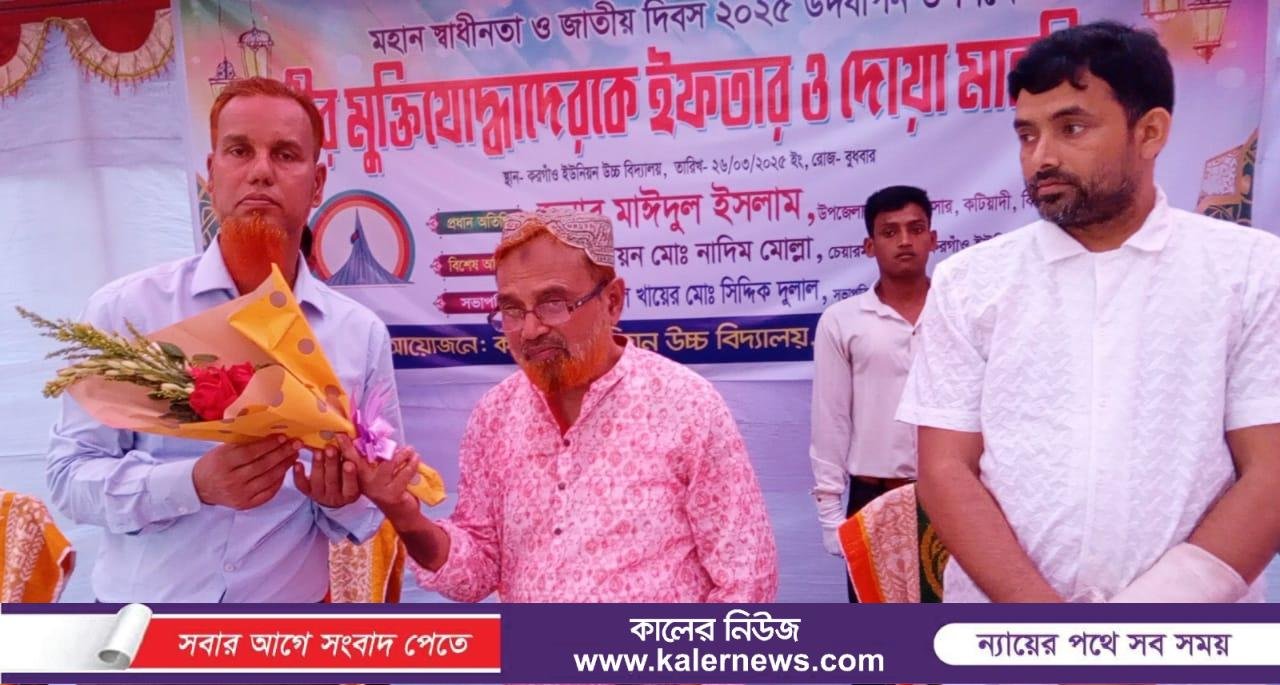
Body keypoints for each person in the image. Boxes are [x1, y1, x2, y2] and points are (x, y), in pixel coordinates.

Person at [896, 21, 1280, 603]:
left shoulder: (1249, 270)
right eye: (1027, 135)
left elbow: (1270, 473)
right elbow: (945, 471)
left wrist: (1139, 629)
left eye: (1071, 128)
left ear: (1149, 132)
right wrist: (1054, 634)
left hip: (1191, 637)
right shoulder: (970, 283)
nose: (1041, 157)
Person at [47, 77, 398, 602]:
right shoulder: (127, 312)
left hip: (283, 631)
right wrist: (192, 483)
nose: (261, 171)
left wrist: (341, 500)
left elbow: (369, 509)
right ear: (211, 175)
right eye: (239, 151)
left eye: (285, 154)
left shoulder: (358, 334)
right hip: (142, 626)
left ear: (318, 183)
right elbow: (69, 477)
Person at [353, 208, 779, 602]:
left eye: (553, 303)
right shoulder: (495, 415)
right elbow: (477, 571)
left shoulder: (686, 405)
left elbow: (746, 581)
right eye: (512, 310)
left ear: (612, 301)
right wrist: (406, 518)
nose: (530, 329)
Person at [810, 185, 937, 601]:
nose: (905, 241)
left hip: (954, 494)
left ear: (933, 239)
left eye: (916, 229)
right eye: (889, 231)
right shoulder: (842, 321)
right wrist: (830, 513)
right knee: (879, 628)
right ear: (869, 245)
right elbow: (831, 419)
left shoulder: (959, 311)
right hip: (874, 498)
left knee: (955, 624)